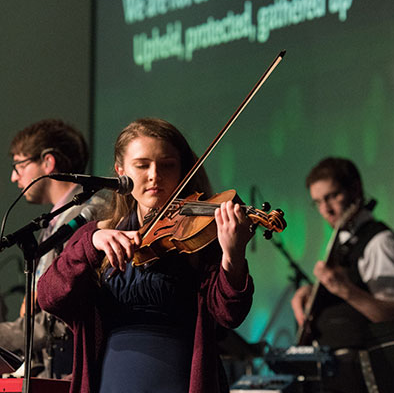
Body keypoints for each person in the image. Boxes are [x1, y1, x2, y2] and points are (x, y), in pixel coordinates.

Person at [37, 117, 255, 393]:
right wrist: (90, 244)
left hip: (178, 377)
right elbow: (49, 296)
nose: (155, 175)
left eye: (167, 165)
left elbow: (229, 315)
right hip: (111, 379)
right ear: (120, 172)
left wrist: (233, 257)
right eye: (142, 165)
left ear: (182, 171)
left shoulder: (201, 237)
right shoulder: (98, 235)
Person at [0, 118, 99, 378]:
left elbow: (56, 318)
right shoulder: (53, 222)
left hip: (69, 368)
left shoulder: (85, 216)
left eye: (19, 165)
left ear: (48, 162)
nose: (14, 176)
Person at [291, 157, 394, 391]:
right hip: (335, 375)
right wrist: (310, 291)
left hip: (366, 377)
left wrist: (345, 291)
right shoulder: (343, 240)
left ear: (355, 189)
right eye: (318, 202)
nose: (326, 210)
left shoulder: (379, 242)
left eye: (332, 196)